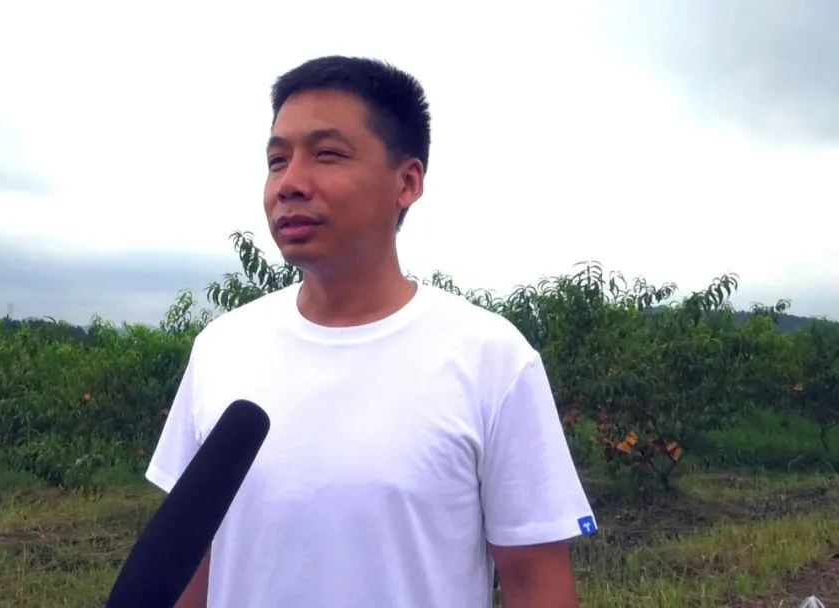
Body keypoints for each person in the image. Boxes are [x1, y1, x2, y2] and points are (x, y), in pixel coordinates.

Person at [145, 55, 597, 608]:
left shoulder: (492, 359)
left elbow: (534, 583)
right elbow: (191, 563)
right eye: (277, 160)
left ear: (407, 182)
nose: (290, 184)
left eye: (327, 154)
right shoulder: (221, 349)